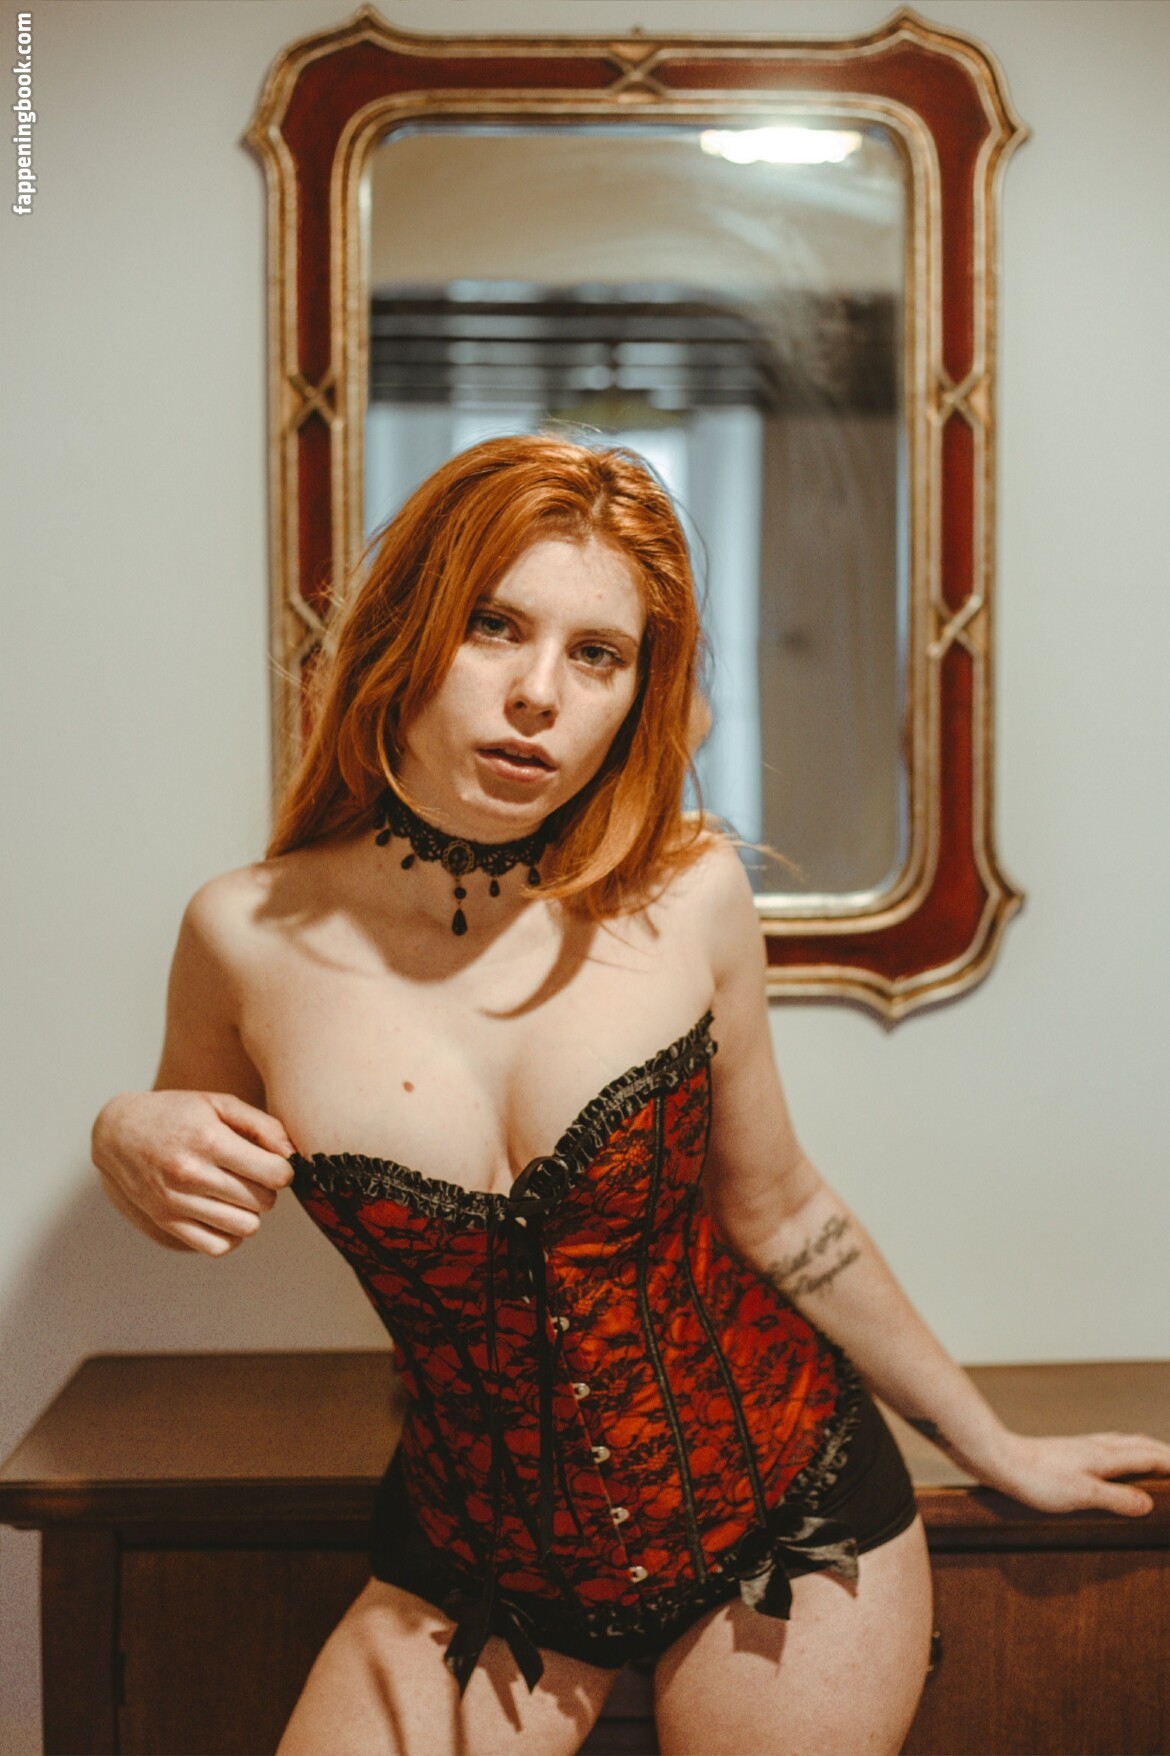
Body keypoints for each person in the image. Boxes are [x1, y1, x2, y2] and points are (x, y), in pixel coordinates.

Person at [92, 436, 1169, 1756]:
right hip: (474, 1560)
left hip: (787, 1509)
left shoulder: (688, 894)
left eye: (596, 654)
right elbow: (193, 1174)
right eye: (493, 626)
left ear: (636, 693)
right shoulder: (242, 935)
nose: (537, 694)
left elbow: (779, 1208)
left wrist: (991, 1442)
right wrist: (121, 1132)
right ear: (404, 632)